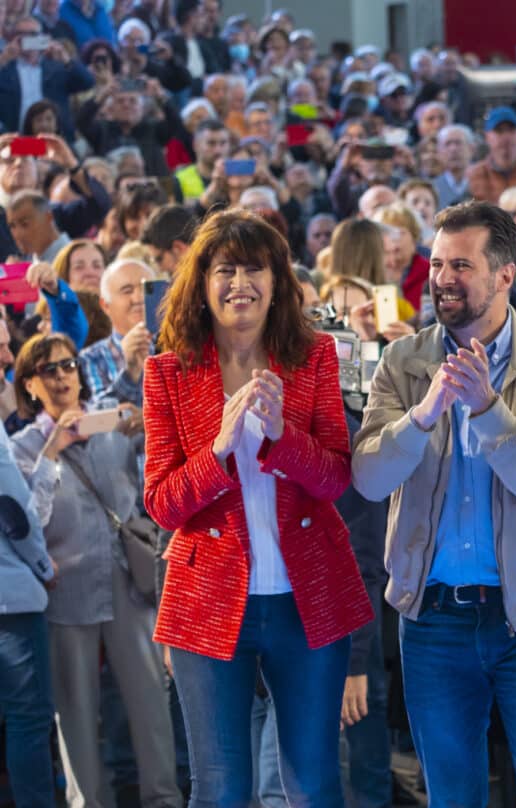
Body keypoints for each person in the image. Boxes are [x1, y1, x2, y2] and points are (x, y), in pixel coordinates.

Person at [351, 201, 516, 807]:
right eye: (437, 263)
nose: (443, 278)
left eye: (462, 264)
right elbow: (370, 479)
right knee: (452, 798)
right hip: (432, 619)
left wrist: (486, 408)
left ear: (506, 274)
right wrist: (425, 412)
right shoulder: (403, 362)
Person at [142, 210, 372, 804]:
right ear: (202, 283)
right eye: (225, 269)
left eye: (255, 268)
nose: (240, 282)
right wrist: (219, 449)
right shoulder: (166, 373)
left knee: (315, 782)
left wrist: (278, 439)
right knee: (219, 789)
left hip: (309, 598)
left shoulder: (315, 357)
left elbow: (335, 479)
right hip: (208, 601)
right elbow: (163, 504)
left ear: (278, 284)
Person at [11, 332, 180, 808]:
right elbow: (27, 523)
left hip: (129, 582)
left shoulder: (111, 418)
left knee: (151, 704)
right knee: (77, 715)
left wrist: (144, 427)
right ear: (29, 385)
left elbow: (152, 484)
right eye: (50, 370)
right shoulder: (22, 447)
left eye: (68, 366)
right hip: (66, 593)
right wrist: (51, 450)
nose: (64, 376)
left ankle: (164, 799)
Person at [0, 422, 54, 808]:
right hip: (11, 601)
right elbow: (14, 511)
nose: (6, 356)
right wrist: (44, 567)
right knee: (28, 719)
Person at [78, 258, 153, 406]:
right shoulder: (91, 358)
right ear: (105, 305)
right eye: (127, 291)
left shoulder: (177, 345)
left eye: (146, 288)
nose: (138, 298)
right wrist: (130, 373)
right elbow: (101, 417)